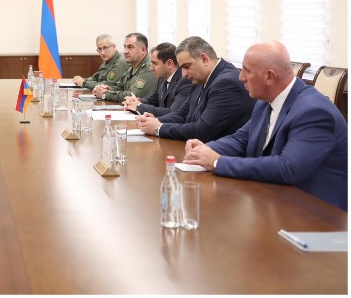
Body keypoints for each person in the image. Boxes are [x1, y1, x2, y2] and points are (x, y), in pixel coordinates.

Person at [183, 41, 347, 210]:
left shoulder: (313, 111)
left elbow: (288, 168)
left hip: (316, 213)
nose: (241, 77)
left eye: (247, 71)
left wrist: (217, 162)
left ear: (269, 77)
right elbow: (241, 139)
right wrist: (204, 150)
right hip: (274, 199)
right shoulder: (264, 102)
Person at [137, 36, 255, 142]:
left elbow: (203, 131)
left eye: (186, 67)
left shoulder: (226, 83)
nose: (184, 74)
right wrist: (155, 121)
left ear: (204, 59)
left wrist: (159, 128)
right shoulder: (200, 77)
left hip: (218, 152)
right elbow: (181, 114)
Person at [122, 42, 192, 117]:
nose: (151, 68)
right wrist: (133, 102)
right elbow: (151, 100)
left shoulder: (185, 81)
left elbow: (173, 113)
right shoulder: (162, 79)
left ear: (169, 63)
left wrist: (138, 105)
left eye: (155, 63)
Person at [92, 33, 157, 102]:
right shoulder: (132, 66)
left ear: (143, 50)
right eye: (125, 47)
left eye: (130, 47)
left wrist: (105, 94)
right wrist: (106, 89)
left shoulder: (149, 67)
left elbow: (133, 95)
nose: (125, 51)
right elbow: (121, 87)